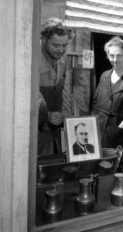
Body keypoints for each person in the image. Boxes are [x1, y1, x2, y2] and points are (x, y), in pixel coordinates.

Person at [91, 36, 123, 154]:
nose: (115, 59)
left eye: (119, 55)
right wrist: (92, 122)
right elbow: (95, 102)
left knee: (115, 166)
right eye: (112, 55)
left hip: (119, 132)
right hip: (99, 129)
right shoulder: (104, 76)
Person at [38, 18, 73, 156]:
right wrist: (46, 116)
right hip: (38, 134)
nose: (61, 50)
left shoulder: (62, 61)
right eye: (56, 45)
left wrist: (67, 114)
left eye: (64, 45)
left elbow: (64, 92)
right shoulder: (30, 61)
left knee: (61, 167)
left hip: (59, 132)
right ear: (44, 40)